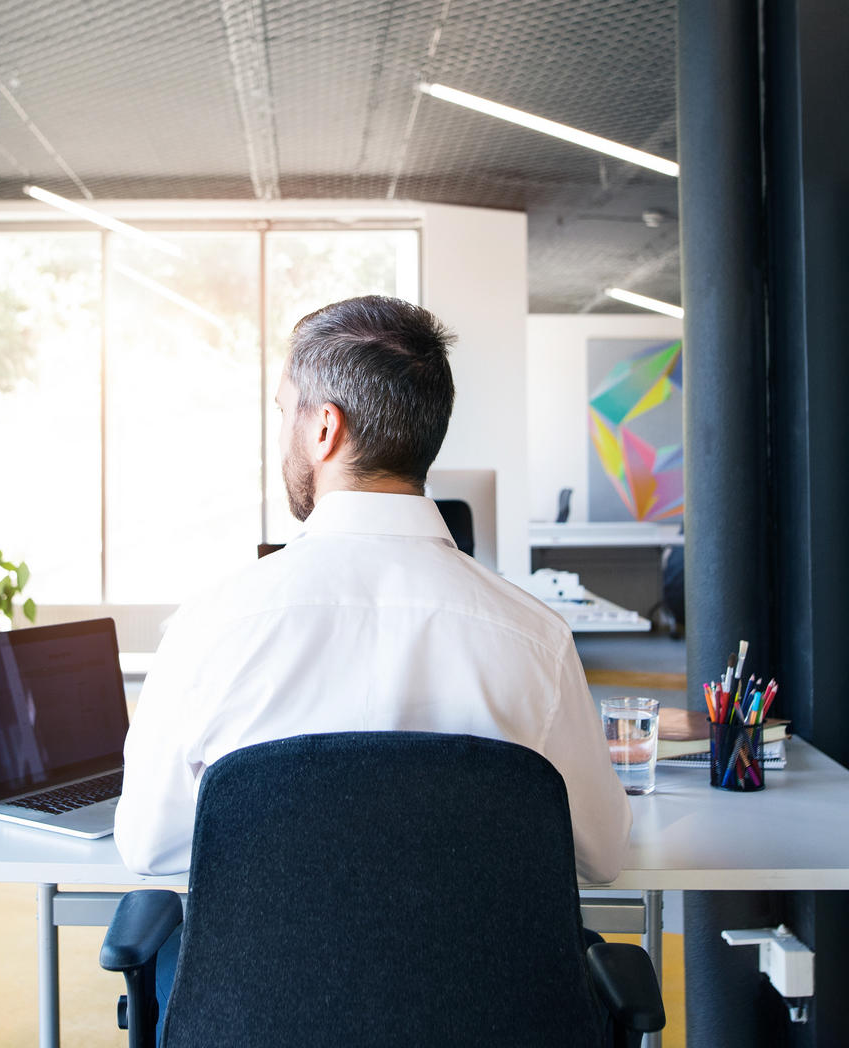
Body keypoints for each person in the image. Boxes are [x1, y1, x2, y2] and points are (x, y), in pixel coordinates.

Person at [115, 294, 631, 885]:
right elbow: (602, 853)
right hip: (471, 977)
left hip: (266, 975)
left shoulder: (210, 625)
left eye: (285, 412)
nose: (282, 431)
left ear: (325, 429)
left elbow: (147, 846)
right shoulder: (537, 639)